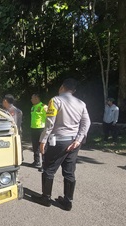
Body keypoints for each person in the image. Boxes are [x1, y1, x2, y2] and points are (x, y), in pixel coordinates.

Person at [38, 78, 91, 211]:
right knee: (69, 172)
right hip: (74, 142)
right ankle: (68, 201)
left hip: (59, 141)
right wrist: (78, 140)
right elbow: (86, 123)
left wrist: (43, 140)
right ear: (74, 90)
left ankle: (46, 198)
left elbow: (50, 123)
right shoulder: (81, 103)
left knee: (49, 169)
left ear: (62, 87)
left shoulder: (55, 101)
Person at [30, 94, 47, 168]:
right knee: (35, 146)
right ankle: (36, 161)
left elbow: (49, 118)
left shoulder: (44, 107)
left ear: (37, 98)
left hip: (41, 129)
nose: (31, 99)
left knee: (42, 146)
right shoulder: (33, 107)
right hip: (33, 128)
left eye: (32, 98)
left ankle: (44, 164)